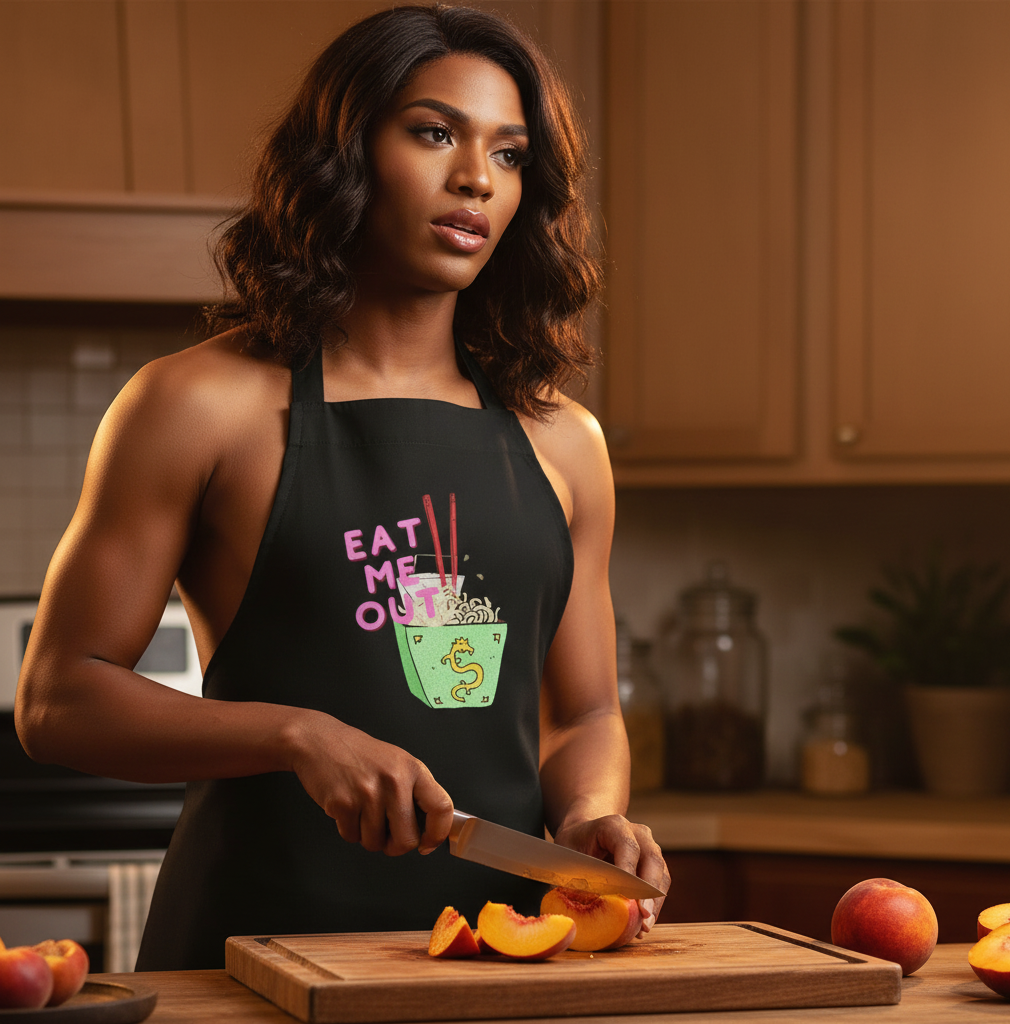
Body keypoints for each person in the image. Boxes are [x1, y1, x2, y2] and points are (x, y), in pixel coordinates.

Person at [15, 3, 670, 970]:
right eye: (434, 132)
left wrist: (589, 816)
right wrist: (298, 735)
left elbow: (583, 715)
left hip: (495, 965)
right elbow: (56, 701)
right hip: (248, 957)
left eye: (509, 152)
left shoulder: (566, 443)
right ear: (347, 152)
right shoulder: (197, 405)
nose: (474, 179)